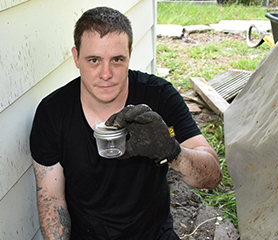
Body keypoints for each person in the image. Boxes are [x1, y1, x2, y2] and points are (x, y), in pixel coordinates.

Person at [30, 6, 222, 240]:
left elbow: (213, 177)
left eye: (117, 60)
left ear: (130, 54)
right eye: (94, 60)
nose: (106, 73)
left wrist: (173, 152)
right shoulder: (53, 113)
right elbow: (51, 197)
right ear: (76, 57)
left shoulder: (159, 96)